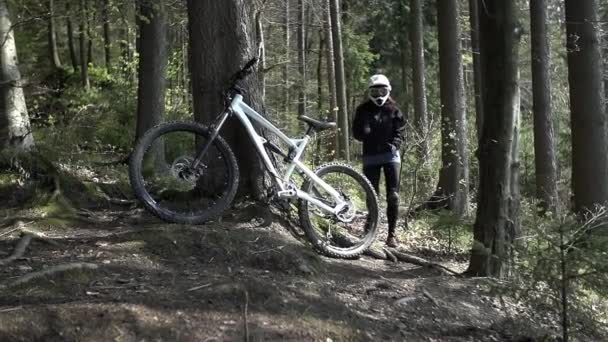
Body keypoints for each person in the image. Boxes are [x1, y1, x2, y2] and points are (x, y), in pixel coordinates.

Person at [352, 74, 407, 248]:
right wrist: (364, 130)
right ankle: (370, 229)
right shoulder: (362, 110)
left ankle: (391, 234)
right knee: (372, 195)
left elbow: (401, 131)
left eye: (382, 91)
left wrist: (395, 144)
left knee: (393, 196)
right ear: (369, 92)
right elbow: (356, 133)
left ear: (388, 90)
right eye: (375, 91)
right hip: (370, 157)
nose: (378, 95)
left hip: (391, 156)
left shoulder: (394, 109)